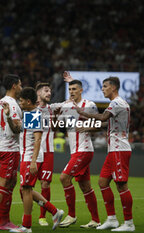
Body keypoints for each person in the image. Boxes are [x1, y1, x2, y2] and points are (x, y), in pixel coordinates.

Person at [74, 76, 135, 231]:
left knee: (121, 185)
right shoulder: (120, 104)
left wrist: (83, 112)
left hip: (119, 149)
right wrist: (88, 128)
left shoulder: (116, 103)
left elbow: (103, 117)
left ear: (113, 88)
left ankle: (129, 223)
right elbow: (107, 123)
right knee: (102, 182)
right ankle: (112, 219)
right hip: (113, 150)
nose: (102, 89)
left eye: (105, 86)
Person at [4, 87, 64, 233]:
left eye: (21, 100)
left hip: (30, 156)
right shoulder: (29, 114)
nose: (20, 102)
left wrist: (33, 161)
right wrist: (8, 117)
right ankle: (54, 211)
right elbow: (18, 130)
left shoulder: (34, 115)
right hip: (27, 156)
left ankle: (27, 226)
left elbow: (38, 140)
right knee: (25, 190)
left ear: (28, 101)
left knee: (25, 190)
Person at [55, 79, 101, 229]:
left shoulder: (90, 105)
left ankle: (71, 215)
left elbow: (99, 124)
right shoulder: (66, 106)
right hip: (75, 150)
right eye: (70, 89)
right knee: (85, 186)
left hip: (85, 149)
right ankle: (95, 220)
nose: (72, 91)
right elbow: (59, 122)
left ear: (81, 90)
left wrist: (87, 127)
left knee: (64, 178)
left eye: (75, 89)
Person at [0, 74, 23, 230]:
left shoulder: (2, 101)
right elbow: (16, 128)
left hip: (4, 145)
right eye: (20, 84)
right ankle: (3, 221)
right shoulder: (11, 104)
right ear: (14, 85)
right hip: (10, 147)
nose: (21, 87)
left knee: (11, 182)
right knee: (6, 183)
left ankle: (4, 220)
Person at [35, 82, 63, 226]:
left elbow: (69, 103)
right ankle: (26, 215)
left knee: (45, 184)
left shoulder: (52, 108)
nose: (49, 93)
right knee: (27, 186)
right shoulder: (31, 110)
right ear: (38, 93)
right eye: (46, 91)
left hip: (48, 152)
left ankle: (42, 216)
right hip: (33, 152)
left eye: (50, 91)